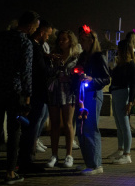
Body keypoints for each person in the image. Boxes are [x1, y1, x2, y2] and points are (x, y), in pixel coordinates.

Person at [0, 10, 39, 184]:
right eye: (35, 27)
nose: (35, 31)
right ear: (29, 26)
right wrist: (27, 96)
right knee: (15, 131)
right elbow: (26, 72)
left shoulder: (0, 38)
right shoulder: (25, 42)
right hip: (14, 92)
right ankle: (10, 172)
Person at [76, 25, 110, 175]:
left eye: (83, 40)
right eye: (80, 40)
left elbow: (106, 78)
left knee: (90, 128)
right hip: (82, 94)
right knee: (81, 129)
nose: (81, 42)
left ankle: (96, 165)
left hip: (93, 95)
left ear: (90, 40)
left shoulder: (98, 56)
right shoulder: (83, 56)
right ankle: (88, 161)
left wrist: (92, 79)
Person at [19, 20, 53, 172]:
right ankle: (26, 160)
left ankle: (27, 158)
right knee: (31, 126)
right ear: (41, 32)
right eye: (48, 34)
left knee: (33, 125)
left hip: (36, 92)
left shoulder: (36, 46)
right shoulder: (31, 46)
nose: (48, 38)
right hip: (35, 93)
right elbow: (38, 71)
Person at [45, 30, 79, 169]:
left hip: (69, 92)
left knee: (68, 123)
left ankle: (69, 155)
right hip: (55, 90)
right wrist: (53, 63)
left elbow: (76, 74)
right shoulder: (54, 55)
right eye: (60, 39)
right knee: (54, 124)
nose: (61, 42)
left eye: (64, 39)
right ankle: (54, 155)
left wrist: (66, 71)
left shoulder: (75, 56)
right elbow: (48, 73)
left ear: (70, 41)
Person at [108, 40, 135, 164]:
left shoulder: (130, 64)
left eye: (119, 48)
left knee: (124, 125)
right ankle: (121, 149)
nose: (117, 50)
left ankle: (127, 153)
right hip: (116, 92)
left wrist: (130, 101)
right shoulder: (120, 63)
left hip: (123, 93)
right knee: (119, 124)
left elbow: (133, 84)